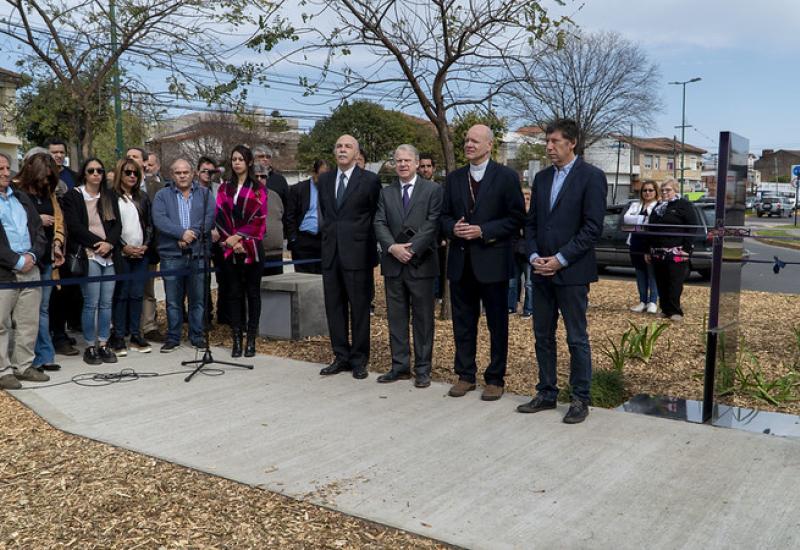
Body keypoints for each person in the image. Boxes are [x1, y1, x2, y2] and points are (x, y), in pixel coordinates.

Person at [520, 119, 607, 424]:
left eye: (555, 141)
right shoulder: (542, 178)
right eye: (547, 141)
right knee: (542, 335)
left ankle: (580, 398)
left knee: (576, 338)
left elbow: (592, 228)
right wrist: (533, 255)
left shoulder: (592, 177)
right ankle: (546, 392)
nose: (549, 147)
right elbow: (531, 224)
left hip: (571, 273)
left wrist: (560, 258)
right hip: (540, 270)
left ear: (572, 143)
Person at [440, 124, 525, 401]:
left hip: (493, 261)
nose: (469, 144)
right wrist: (453, 228)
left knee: (497, 324)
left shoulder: (506, 177)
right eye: (466, 140)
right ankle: (465, 375)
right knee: (463, 323)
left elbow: (515, 220)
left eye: (475, 141)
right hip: (461, 262)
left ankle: (495, 378)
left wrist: (483, 231)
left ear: (490, 145)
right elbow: (442, 217)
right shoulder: (453, 179)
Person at [373, 144, 442, 388]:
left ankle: (423, 369)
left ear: (416, 163)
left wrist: (411, 249)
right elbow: (379, 222)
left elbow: (433, 223)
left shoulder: (433, 190)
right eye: (398, 160)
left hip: (421, 265)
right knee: (396, 318)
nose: (402, 164)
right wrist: (393, 247)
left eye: (407, 160)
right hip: (393, 264)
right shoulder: (386, 192)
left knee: (423, 319)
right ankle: (399, 366)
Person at [317, 134, 382, 379]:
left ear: (357, 153)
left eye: (348, 146)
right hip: (331, 253)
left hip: (358, 254)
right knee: (334, 307)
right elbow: (327, 213)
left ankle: (359, 359)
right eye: (339, 146)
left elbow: (375, 215)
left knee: (359, 308)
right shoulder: (324, 180)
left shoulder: (370, 180)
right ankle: (340, 356)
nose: (342, 150)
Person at [62, 158, 121, 365]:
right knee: (91, 302)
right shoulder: (74, 196)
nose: (96, 174)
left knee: (106, 303)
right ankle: (90, 345)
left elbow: (117, 226)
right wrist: (100, 244)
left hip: (109, 256)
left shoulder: (109, 196)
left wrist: (110, 244)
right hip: (88, 255)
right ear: (84, 174)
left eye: (100, 170)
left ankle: (103, 343)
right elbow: (75, 227)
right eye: (91, 170)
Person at [151, 159, 214, 352]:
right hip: (171, 255)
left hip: (197, 254)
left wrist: (190, 235)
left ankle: (197, 336)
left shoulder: (205, 194)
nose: (182, 175)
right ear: (172, 174)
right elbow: (159, 219)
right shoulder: (162, 195)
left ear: (193, 173)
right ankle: (173, 337)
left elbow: (209, 217)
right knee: (173, 300)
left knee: (197, 299)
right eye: (178, 172)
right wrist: (180, 233)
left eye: (186, 172)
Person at [0, 152, 49, 390]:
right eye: (0, 169)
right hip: (5, 272)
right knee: (1, 324)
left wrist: (32, 255)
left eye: (7, 168)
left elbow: (38, 229)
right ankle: (3, 371)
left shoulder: (21, 197)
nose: (6, 172)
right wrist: (16, 261)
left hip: (31, 268)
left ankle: (24, 366)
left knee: (28, 321)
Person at [13, 152, 66, 372]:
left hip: (46, 259)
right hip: (25, 259)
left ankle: (45, 355)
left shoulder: (49, 194)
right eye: (43, 178)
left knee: (42, 310)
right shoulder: (16, 193)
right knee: (26, 314)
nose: (46, 182)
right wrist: (37, 217)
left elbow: (59, 222)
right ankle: (30, 358)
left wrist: (57, 244)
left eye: (49, 179)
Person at [215, 146, 267, 357]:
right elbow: (218, 215)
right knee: (234, 294)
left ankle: (251, 340)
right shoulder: (223, 188)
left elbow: (260, 220)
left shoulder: (258, 188)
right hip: (229, 248)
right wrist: (231, 240)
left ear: (248, 162)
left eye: (241, 159)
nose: (237, 162)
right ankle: (236, 339)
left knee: (252, 294)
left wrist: (240, 237)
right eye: (234, 159)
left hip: (252, 249)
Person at [108, 159, 153, 356]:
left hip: (141, 253)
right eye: (128, 173)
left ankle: (136, 334)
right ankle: (118, 335)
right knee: (122, 294)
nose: (132, 176)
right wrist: (124, 247)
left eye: (135, 173)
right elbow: (109, 227)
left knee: (137, 295)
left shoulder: (143, 197)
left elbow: (150, 225)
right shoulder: (111, 198)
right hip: (121, 254)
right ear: (120, 174)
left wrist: (145, 245)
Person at [645, 179, 699, 322]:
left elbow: (692, 228)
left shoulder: (684, 205)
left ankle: (675, 311)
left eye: (667, 190)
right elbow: (650, 229)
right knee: (661, 281)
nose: (664, 193)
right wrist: (648, 249)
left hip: (677, 250)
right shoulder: (658, 207)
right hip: (658, 251)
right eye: (662, 190)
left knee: (674, 282)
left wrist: (687, 249)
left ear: (675, 190)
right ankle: (665, 309)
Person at [127, 147, 163, 343]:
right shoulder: (117, 186)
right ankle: (129, 326)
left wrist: (150, 244)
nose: (130, 159)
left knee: (148, 289)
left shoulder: (156, 187)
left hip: (150, 247)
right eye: (128, 156)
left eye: (135, 156)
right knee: (128, 288)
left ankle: (149, 326)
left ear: (144, 161)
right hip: (126, 248)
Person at [623, 180, 660, 314]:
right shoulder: (635, 205)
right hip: (635, 243)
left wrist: (636, 221)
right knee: (640, 273)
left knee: (652, 274)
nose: (647, 193)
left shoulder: (658, 206)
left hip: (650, 244)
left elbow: (652, 223)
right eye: (645, 190)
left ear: (656, 192)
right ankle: (643, 301)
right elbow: (626, 219)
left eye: (650, 190)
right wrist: (642, 220)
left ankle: (653, 302)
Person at [286, 159, 329, 274]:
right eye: (322, 175)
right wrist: (293, 240)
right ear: (314, 173)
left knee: (322, 279)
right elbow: (290, 217)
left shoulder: (329, 190)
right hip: (303, 240)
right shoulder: (298, 189)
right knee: (304, 278)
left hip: (323, 241)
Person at [418, 153, 446, 301]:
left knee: (437, 269)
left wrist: (441, 237)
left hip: (437, 240)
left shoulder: (440, 189)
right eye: (422, 166)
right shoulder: (412, 189)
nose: (425, 169)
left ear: (434, 168)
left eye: (428, 166)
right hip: (416, 238)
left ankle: (437, 296)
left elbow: (443, 214)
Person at [509, 188, 534, 318]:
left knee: (529, 283)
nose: (526, 200)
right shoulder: (515, 213)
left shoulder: (533, 213)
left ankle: (529, 309)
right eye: (523, 197)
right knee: (512, 282)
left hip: (528, 253)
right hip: (515, 252)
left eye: (528, 197)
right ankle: (511, 307)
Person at [255, 163, 284, 277]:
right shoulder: (245, 196)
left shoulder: (275, 196)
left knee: (277, 291)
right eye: (256, 176)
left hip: (276, 253)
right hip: (255, 253)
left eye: (263, 176)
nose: (259, 179)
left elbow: (282, 216)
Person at [254, 146, 288, 226]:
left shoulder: (280, 180)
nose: (265, 159)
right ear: (254, 159)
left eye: (268, 157)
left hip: (275, 228)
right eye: (261, 156)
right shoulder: (246, 178)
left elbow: (287, 206)